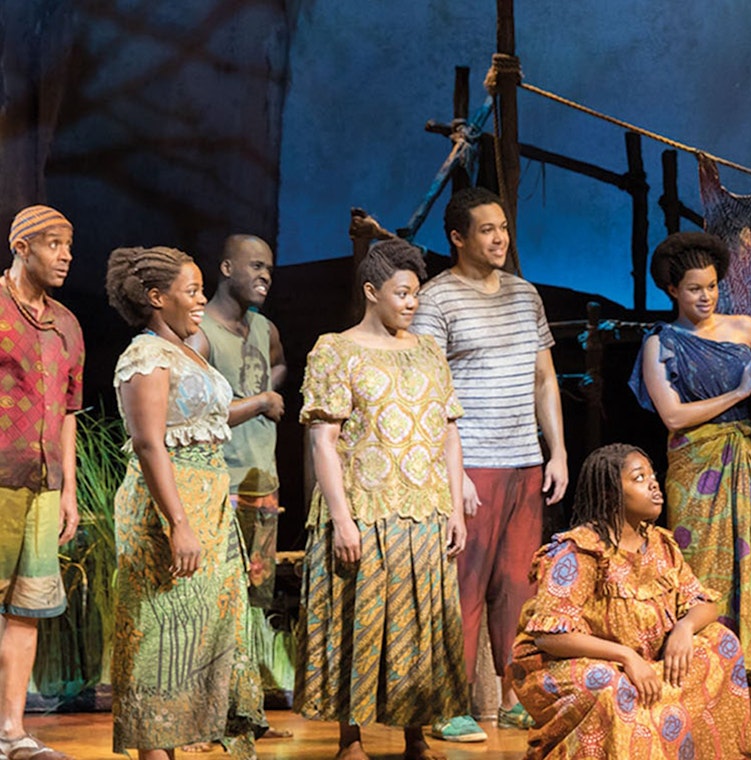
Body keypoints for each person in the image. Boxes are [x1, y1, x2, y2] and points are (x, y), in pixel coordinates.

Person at [295, 239, 468, 760]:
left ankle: (416, 733)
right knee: (358, 618)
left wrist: (455, 507)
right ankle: (351, 738)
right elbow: (323, 440)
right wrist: (342, 519)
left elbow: (448, 433)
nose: (412, 303)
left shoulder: (428, 351)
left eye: (416, 293)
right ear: (372, 292)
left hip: (424, 510)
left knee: (421, 625)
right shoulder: (336, 350)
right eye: (402, 293)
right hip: (365, 509)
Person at [411, 187, 568, 740]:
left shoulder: (525, 296)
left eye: (503, 227)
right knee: (463, 588)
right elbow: (426, 390)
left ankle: (511, 696)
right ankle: (446, 702)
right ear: (458, 238)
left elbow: (544, 378)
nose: (500, 238)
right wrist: (449, 476)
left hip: (523, 460)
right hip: (470, 463)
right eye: (486, 229)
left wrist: (558, 453)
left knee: (517, 587)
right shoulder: (436, 299)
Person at [105, 245, 265, 759]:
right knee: (159, 632)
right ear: (156, 297)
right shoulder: (145, 355)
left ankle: (186, 742)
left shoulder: (188, 349)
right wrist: (178, 523)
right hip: (166, 506)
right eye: (191, 291)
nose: (201, 300)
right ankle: (154, 751)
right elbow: (150, 442)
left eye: (200, 289)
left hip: (210, 500)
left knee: (201, 632)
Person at [510, 443, 751, 759]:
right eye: (639, 478)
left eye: (652, 475)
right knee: (612, 685)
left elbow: (703, 602)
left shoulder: (660, 545)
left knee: (722, 643)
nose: (654, 483)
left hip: (645, 659)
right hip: (576, 663)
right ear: (611, 494)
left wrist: (684, 628)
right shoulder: (580, 552)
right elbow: (551, 636)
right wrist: (625, 657)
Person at [628, 231, 751, 680]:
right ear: (672, 291)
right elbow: (674, 415)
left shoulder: (745, 329)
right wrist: (738, 391)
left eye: (713, 286)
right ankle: (696, 671)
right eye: (695, 288)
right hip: (694, 465)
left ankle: (740, 671)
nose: (706, 296)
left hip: (746, 459)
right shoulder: (660, 344)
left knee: (749, 561)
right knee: (697, 566)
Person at [185, 234, 289, 749]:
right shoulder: (200, 332)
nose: (265, 275)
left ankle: (242, 710)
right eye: (255, 266)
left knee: (251, 600)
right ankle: (205, 715)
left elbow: (278, 363)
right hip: (217, 485)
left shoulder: (265, 328)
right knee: (213, 600)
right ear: (226, 267)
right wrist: (261, 401)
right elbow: (194, 411)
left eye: (270, 267)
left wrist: (270, 388)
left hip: (260, 480)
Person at [0, 205, 82, 760]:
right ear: (22, 246)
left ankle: (11, 731)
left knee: (26, 608)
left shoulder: (67, 324)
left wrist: (70, 488)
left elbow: (70, 411)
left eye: (69, 246)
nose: (66, 255)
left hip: (45, 485)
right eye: (54, 244)